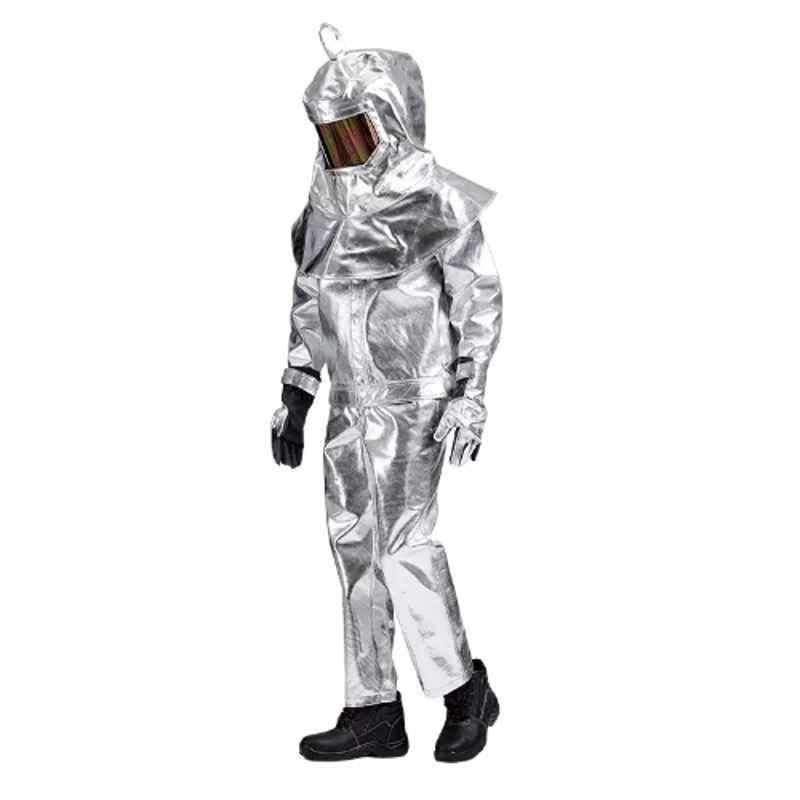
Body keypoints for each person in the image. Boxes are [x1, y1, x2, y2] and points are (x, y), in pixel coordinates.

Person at [271, 24, 503, 763]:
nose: (342, 149)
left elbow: (478, 297)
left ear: (388, 121)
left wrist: (470, 392)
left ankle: (463, 692)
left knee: (404, 546)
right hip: (349, 402)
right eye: (330, 133)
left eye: (354, 130)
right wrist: (297, 394)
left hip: (416, 400)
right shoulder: (324, 208)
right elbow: (310, 305)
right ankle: (373, 710)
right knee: (355, 549)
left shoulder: (432, 198)